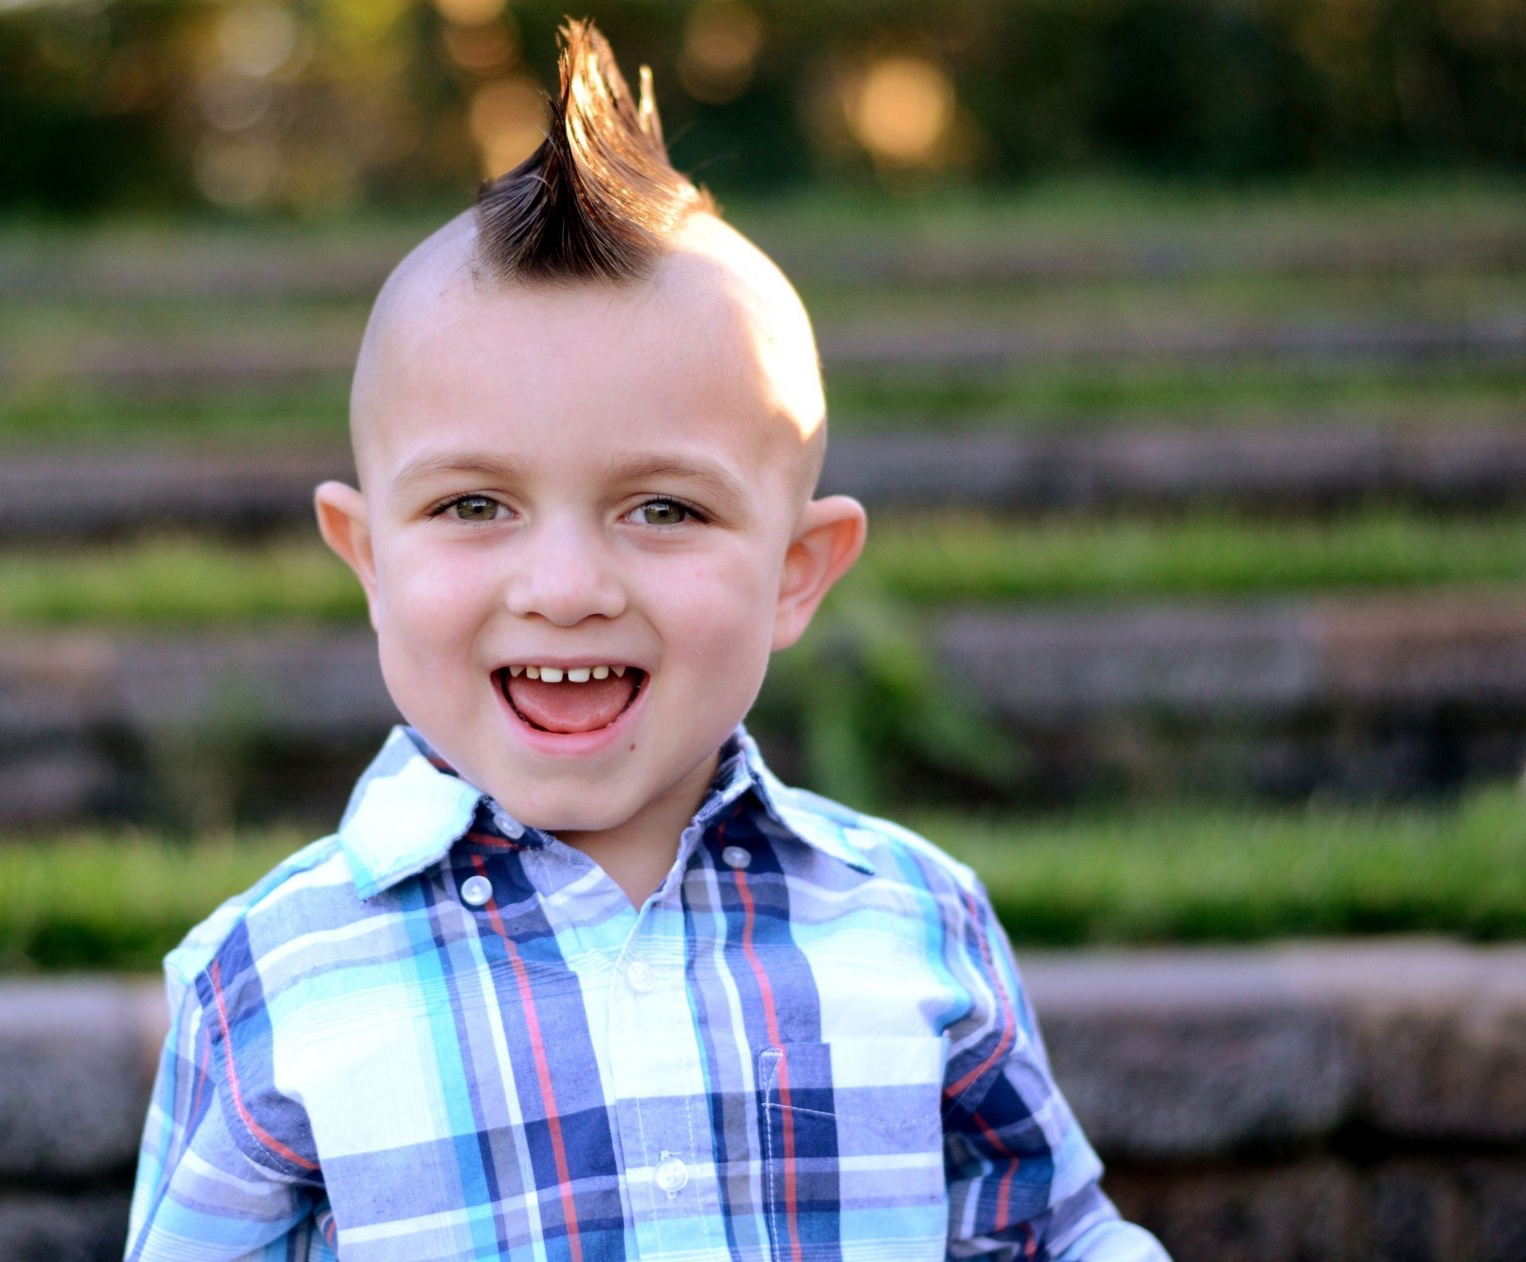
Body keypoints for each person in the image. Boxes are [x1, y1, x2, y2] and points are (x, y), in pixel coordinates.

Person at [124, 19, 1169, 1261]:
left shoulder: (916, 924)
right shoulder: (266, 979)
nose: (565, 586)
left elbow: (1052, 1235)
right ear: (368, 558)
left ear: (797, 572)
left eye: (664, 508)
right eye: (474, 505)